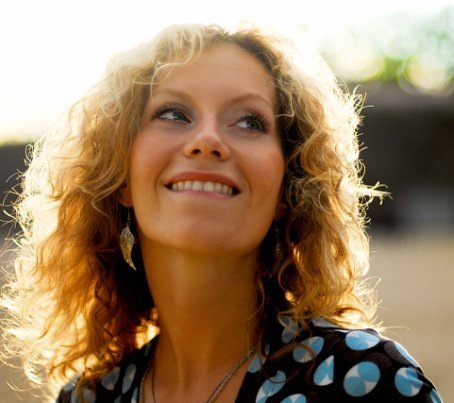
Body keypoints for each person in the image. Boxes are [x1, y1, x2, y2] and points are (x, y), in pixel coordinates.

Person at [0, 23, 442, 402]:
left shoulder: (367, 382)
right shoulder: (87, 397)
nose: (208, 140)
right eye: (174, 114)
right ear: (121, 178)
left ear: (289, 188)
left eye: (249, 121)